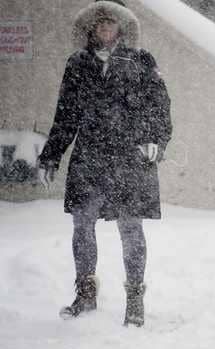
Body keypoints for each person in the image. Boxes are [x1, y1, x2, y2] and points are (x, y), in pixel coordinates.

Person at [37, 0, 172, 327]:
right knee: (82, 224)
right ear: (91, 26)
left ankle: (135, 300)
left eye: (111, 21)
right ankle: (85, 293)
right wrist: (52, 155)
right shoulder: (78, 63)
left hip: (130, 157)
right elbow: (66, 114)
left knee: (131, 227)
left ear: (122, 25)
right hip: (90, 157)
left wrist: (156, 140)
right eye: (100, 22)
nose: (106, 27)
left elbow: (159, 105)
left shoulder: (141, 60)